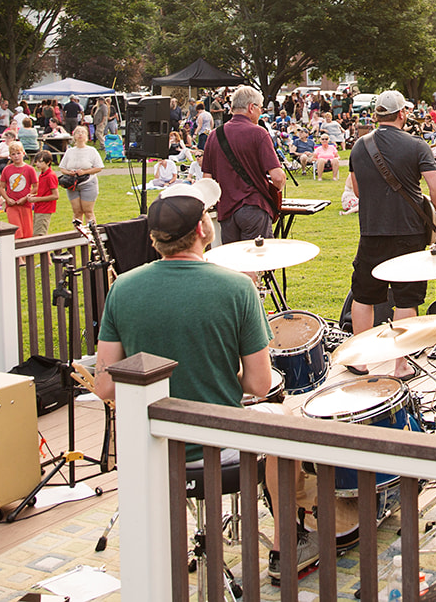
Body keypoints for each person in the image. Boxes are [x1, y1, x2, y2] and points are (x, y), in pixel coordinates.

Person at [94, 183, 318, 584]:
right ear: (203, 228)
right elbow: (260, 384)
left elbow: (106, 387)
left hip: (150, 447)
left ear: (154, 237)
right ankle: (287, 549)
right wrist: (216, 373)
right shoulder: (237, 287)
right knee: (287, 421)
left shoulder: (122, 288)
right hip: (218, 449)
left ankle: (170, 550)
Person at [345, 90, 436, 378]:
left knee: (364, 295)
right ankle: (400, 365)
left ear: (377, 115)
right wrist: (426, 209)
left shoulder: (358, 146)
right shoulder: (417, 145)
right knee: (406, 299)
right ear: (402, 113)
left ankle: (360, 359)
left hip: (371, 230)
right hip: (409, 232)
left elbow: (356, 190)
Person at [200, 86, 286, 244]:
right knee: (258, 261)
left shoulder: (214, 135)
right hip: (254, 207)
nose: (261, 112)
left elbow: (206, 179)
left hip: (226, 210)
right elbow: (278, 177)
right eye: (260, 108)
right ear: (251, 107)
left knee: (233, 264)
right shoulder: (258, 133)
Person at [59, 126, 105, 226]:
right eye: (78, 132)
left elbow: (99, 167)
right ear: (74, 136)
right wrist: (69, 172)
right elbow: (62, 168)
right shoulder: (70, 151)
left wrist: (84, 172)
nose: (80, 134)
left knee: (88, 211)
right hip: (72, 184)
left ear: (86, 136)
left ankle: (92, 235)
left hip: (88, 183)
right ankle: (78, 235)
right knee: (77, 211)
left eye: (83, 132)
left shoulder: (91, 151)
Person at [0, 145, 38, 238]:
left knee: (27, 232)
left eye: (18, 153)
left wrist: (25, 198)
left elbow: (36, 187)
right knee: (16, 231)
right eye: (13, 154)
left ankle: (28, 252)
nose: (16, 156)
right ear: (10, 156)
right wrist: (7, 199)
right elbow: (1, 187)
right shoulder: (7, 169)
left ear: (23, 154)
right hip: (12, 204)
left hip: (25, 204)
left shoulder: (30, 169)